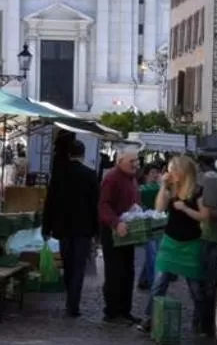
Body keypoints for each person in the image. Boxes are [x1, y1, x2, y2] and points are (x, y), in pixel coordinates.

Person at [144, 154, 211, 334]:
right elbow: (159, 208)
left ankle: (201, 322)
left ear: (182, 171)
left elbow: (204, 216)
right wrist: (163, 186)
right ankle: (149, 319)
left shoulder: (198, 191)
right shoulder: (171, 189)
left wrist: (186, 209)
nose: (169, 172)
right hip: (170, 242)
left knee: (196, 288)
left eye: (173, 169)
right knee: (159, 283)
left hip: (191, 244)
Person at [41, 135, 100, 318]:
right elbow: (95, 205)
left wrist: (46, 227)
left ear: (68, 154)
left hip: (63, 227)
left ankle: (70, 297)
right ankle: (73, 303)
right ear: (83, 155)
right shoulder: (90, 175)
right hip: (83, 229)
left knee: (67, 264)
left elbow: (49, 203)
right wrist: (96, 232)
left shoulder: (59, 174)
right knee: (79, 266)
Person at [98, 146, 141, 325]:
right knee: (115, 271)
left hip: (127, 231)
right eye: (132, 161)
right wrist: (116, 223)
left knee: (127, 271)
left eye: (136, 161)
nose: (135, 165)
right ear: (120, 161)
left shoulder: (131, 179)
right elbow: (104, 206)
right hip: (113, 231)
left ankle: (124, 310)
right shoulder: (112, 178)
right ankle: (113, 311)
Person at [136, 163, 162, 291]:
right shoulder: (144, 188)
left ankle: (144, 280)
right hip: (148, 223)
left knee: (152, 253)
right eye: (152, 172)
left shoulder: (154, 187)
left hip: (156, 223)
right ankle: (153, 284)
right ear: (146, 174)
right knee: (152, 254)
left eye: (156, 172)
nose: (155, 174)